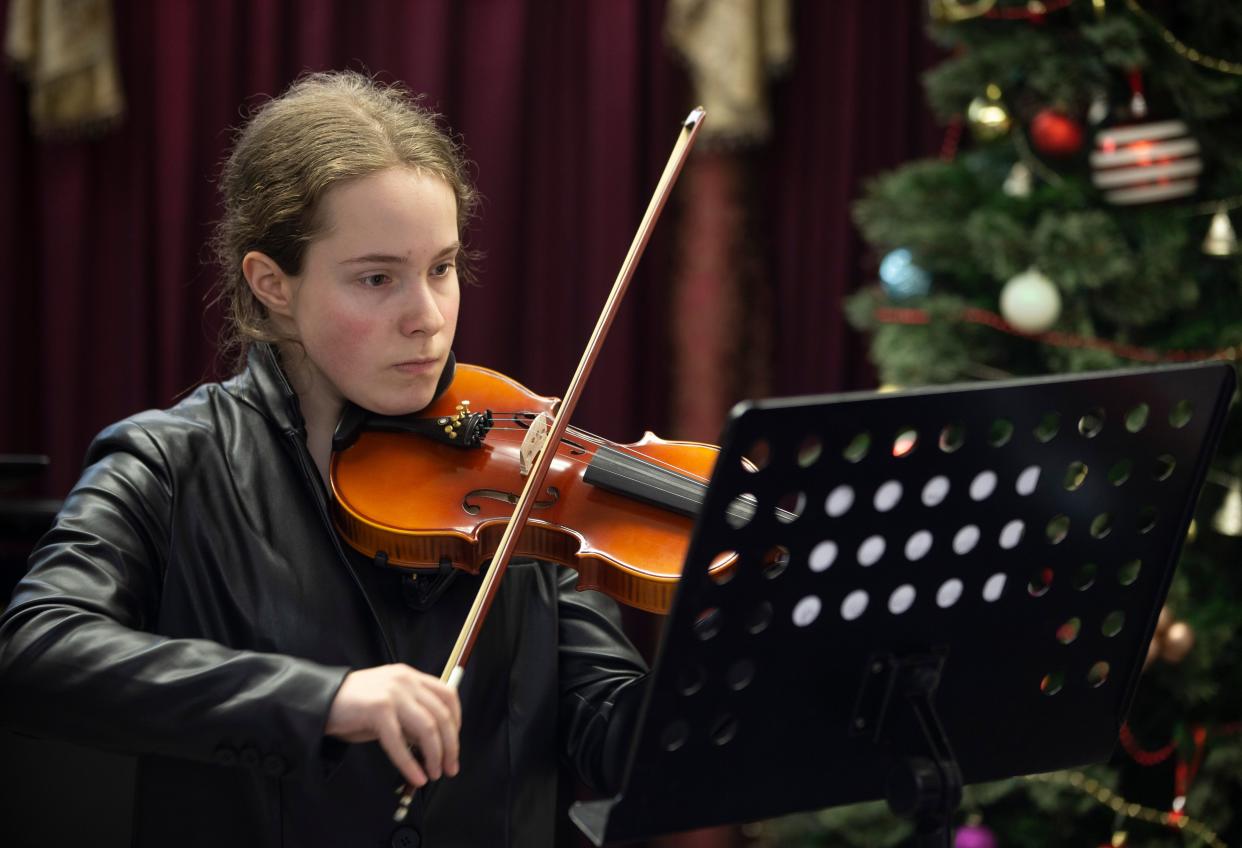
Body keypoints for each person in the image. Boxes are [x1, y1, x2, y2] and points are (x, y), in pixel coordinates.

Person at [0, 71, 648, 847]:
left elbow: (609, 737)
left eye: (441, 268)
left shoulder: (526, 474)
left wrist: (749, 667)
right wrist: (324, 700)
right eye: (378, 278)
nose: (427, 319)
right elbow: (36, 649)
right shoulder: (171, 463)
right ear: (273, 283)